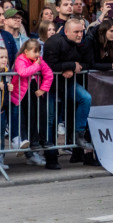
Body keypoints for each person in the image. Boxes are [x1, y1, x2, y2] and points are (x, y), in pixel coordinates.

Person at [42, 17, 94, 168]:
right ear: (66, 31)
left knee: (86, 98)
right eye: (76, 32)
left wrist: (72, 68)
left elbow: (87, 63)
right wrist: (70, 66)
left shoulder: (84, 42)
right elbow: (49, 66)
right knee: (51, 119)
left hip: (68, 83)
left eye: (81, 31)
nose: (79, 34)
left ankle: (78, 135)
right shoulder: (53, 42)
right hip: (50, 85)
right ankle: (51, 156)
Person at [11, 39, 53, 167]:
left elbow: (49, 73)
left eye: (39, 51)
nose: (37, 55)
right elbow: (23, 72)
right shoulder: (21, 60)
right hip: (22, 94)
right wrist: (36, 66)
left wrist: (43, 89)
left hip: (35, 90)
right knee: (28, 118)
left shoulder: (39, 60)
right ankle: (31, 141)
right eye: (35, 52)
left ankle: (40, 139)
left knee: (40, 115)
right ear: (26, 51)